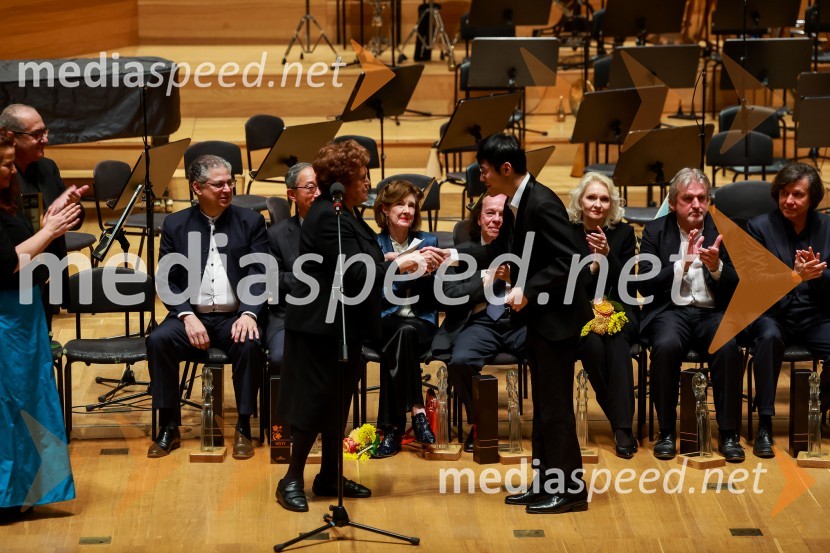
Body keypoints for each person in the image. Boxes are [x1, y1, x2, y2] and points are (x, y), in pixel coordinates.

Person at [274, 140, 441, 512]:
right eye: (362, 177)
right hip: (319, 327)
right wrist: (405, 265)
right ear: (342, 181)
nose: (369, 183)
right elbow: (355, 271)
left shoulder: (347, 214)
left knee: (337, 405)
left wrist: (404, 259)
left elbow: (367, 259)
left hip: (345, 328)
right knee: (312, 407)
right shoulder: (326, 216)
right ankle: (290, 479)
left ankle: (330, 476)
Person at [455, 133, 592, 514]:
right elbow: (506, 251)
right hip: (542, 322)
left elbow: (572, 258)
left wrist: (528, 288)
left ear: (506, 169)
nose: (481, 178)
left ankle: (571, 492)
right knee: (545, 408)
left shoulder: (542, 202)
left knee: (556, 408)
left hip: (558, 323)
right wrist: (452, 254)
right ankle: (545, 483)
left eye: (484, 171)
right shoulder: (521, 201)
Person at [148, 155, 268, 460]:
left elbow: (260, 273)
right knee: (159, 340)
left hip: (233, 316)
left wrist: (249, 312)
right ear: (197, 188)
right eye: (219, 184)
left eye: (230, 182)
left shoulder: (251, 221)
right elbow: (167, 280)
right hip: (192, 316)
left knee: (250, 341)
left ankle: (243, 426)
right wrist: (186, 315)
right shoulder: (175, 224)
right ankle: (169, 426)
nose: (227, 188)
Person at [0, 131, 81, 518]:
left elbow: (23, 242)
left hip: (23, 313)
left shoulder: (8, 198)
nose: (10, 170)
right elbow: (8, 261)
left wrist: (49, 219)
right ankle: (6, 494)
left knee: (33, 400)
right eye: (2, 165)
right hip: (4, 318)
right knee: (10, 406)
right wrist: (51, 231)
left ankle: (27, 489)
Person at [638, 167, 744, 462]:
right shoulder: (655, 232)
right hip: (670, 312)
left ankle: (728, 434)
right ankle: (667, 432)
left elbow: (741, 284)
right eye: (688, 198)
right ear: (673, 203)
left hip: (712, 312)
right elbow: (643, 282)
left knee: (727, 346)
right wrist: (679, 266)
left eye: (702, 198)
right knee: (666, 345)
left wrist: (716, 268)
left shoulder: (724, 230)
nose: (696, 204)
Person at [746, 162, 830, 458]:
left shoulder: (827, 228)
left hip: (815, 314)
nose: (789, 200)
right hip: (774, 314)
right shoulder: (759, 227)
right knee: (767, 338)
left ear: (812, 199)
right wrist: (793, 277)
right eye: (784, 193)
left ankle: (818, 415)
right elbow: (754, 284)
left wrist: (817, 274)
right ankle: (765, 424)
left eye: (797, 194)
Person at [432, 193, 526, 453]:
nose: (496, 219)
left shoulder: (522, 246)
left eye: (502, 214)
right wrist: (487, 277)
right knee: (460, 361)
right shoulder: (460, 253)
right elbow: (450, 297)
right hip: (479, 322)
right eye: (490, 213)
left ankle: (546, 424)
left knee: (548, 350)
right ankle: (480, 425)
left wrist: (517, 278)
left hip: (519, 320)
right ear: (478, 218)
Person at [566, 172, 638, 458]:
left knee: (619, 344)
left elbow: (628, 285)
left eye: (604, 199)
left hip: (618, 310)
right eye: (591, 197)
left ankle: (622, 428)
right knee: (592, 344)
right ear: (580, 201)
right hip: (579, 312)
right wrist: (593, 268)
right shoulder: (568, 232)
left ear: (612, 204)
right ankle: (619, 418)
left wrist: (608, 255)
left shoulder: (623, 233)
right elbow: (568, 286)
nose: (597, 204)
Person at [0, 104, 85, 328]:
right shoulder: (4, 183)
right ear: (11, 137)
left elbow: (70, 219)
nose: (45, 139)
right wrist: (48, 226)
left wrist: (71, 206)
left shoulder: (48, 167)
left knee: (42, 342)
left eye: (44, 132)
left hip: (47, 275)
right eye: (36, 135)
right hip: (13, 284)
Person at [373, 180, 440, 456]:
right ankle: (418, 413)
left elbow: (436, 295)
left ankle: (392, 429)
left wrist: (429, 272)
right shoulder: (374, 245)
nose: (407, 210)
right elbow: (377, 294)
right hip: (385, 319)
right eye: (400, 203)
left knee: (402, 338)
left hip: (421, 319)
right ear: (385, 209)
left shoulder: (430, 242)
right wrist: (399, 271)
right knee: (399, 336)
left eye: (411, 205)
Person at [266, 162, 320, 374]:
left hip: (331, 315)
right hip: (288, 316)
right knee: (280, 357)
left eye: (321, 187)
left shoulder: (342, 229)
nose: (318, 193)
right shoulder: (276, 234)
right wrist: (315, 280)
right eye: (310, 188)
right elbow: (274, 278)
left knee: (344, 356)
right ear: (292, 194)